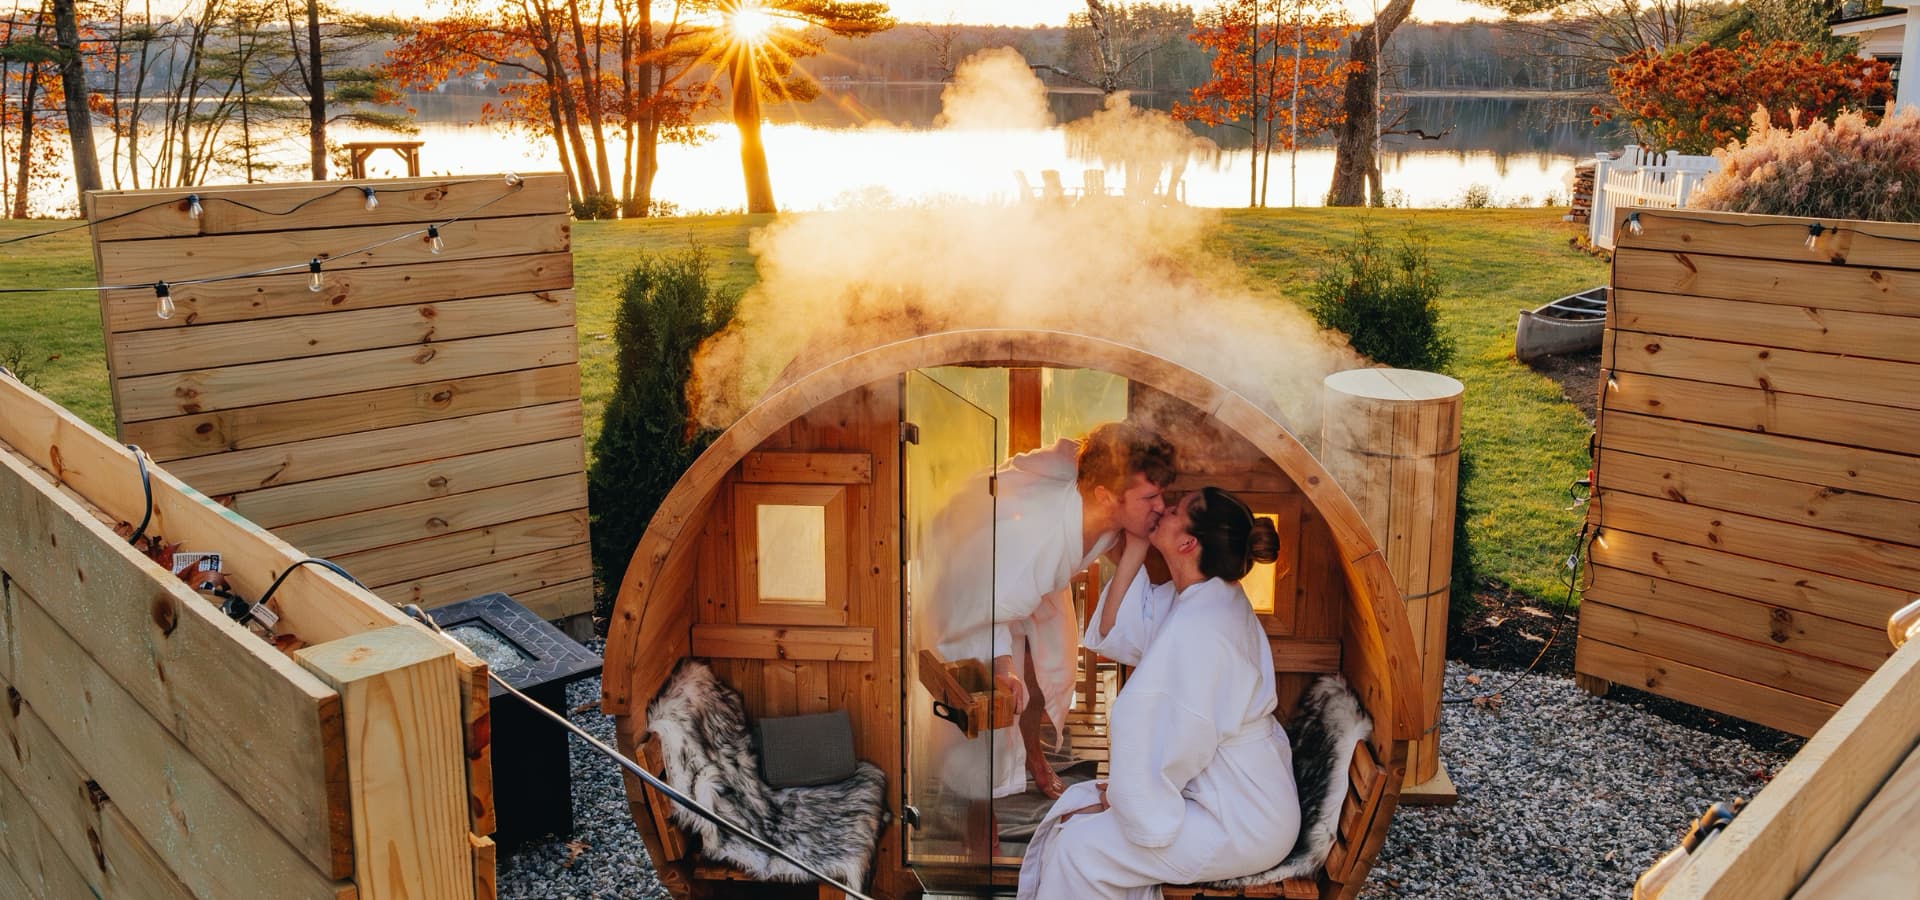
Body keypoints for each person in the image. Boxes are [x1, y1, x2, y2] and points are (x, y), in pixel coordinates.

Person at [1017, 486, 1300, 898]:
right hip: (1241, 797)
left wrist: (1127, 802)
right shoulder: (1206, 596)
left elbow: (1156, 724)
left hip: (1240, 822)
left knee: (1079, 850)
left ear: (1188, 542)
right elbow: (1121, 626)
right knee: (1077, 812)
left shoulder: (1200, 629)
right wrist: (1135, 546)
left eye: (1174, 510)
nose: (1163, 508)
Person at [929, 421, 1174, 801]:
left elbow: (1078, 452)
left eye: (1162, 495)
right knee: (1004, 693)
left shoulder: (1098, 493)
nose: (1161, 506)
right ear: (1106, 497)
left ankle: (1034, 753)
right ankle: (976, 797)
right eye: (1149, 498)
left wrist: (1139, 542)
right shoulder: (1033, 541)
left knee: (1043, 675)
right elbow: (980, 606)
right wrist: (1001, 665)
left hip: (1026, 582)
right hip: (976, 576)